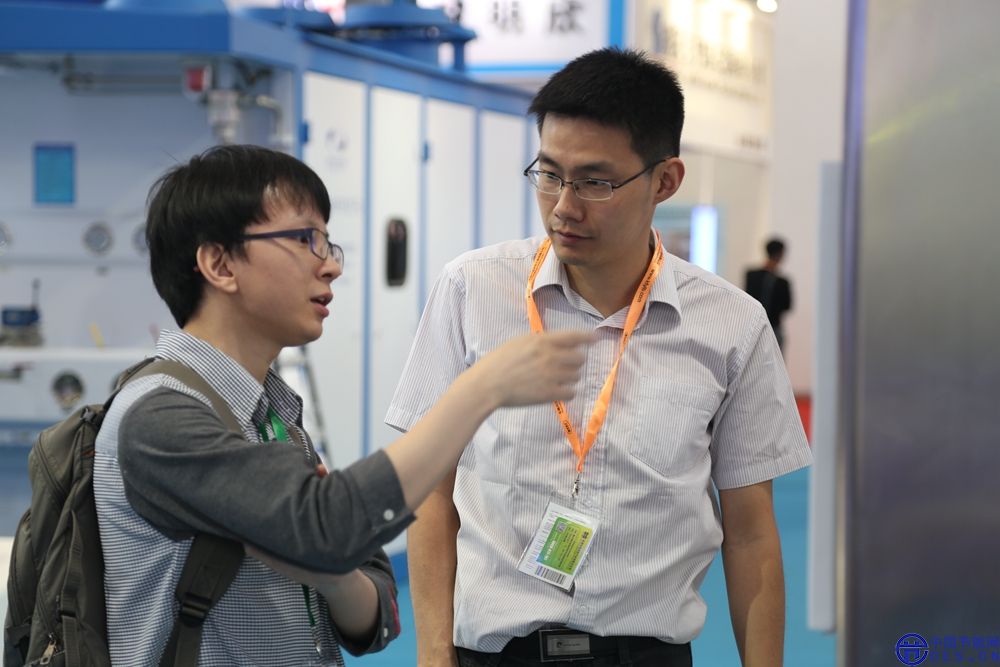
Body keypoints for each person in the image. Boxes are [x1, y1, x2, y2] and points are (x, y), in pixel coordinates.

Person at [386, 48, 813, 667]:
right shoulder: (471, 291)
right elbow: (432, 490)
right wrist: (432, 656)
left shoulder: (732, 326)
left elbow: (750, 532)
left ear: (665, 181)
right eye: (549, 174)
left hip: (647, 655)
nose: (564, 205)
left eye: (595, 182)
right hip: (494, 654)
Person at [94, 144, 590, 665]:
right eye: (304, 239)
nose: (330, 266)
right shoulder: (158, 419)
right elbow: (327, 528)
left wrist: (330, 571)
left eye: (328, 243)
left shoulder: (272, 416)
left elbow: (376, 617)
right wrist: (480, 389)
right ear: (219, 264)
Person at [744, 238, 793, 352]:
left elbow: (747, 298)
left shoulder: (752, 275)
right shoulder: (782, 282)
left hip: (754, 327)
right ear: (780, 254)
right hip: (772, 328)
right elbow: (787, 306)